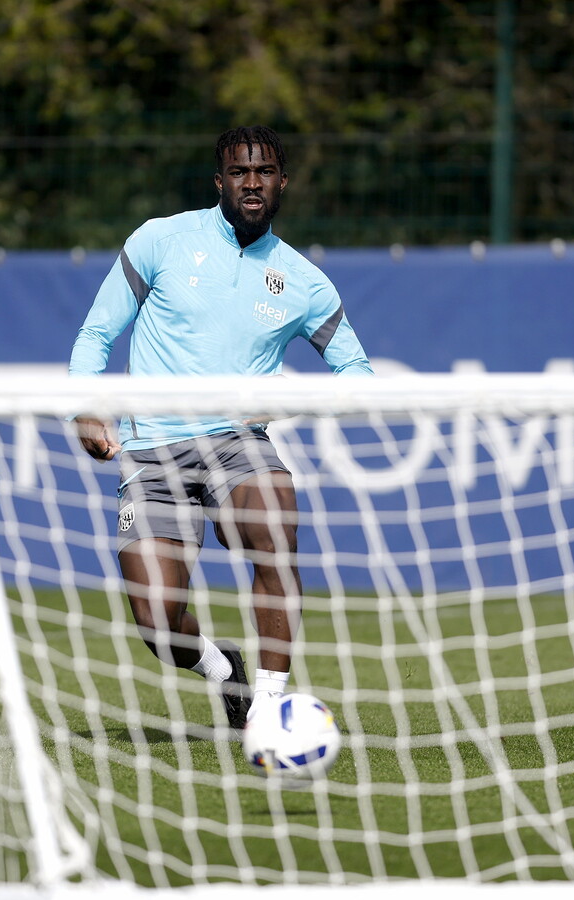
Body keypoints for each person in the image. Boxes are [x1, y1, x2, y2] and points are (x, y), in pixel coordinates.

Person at [69, 125, 374, 731]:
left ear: (282, 182)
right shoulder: (162, 241)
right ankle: (220, 668)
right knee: (158, 623)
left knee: (276, 524)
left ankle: (268, 707)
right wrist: (86, 405)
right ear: (220, 181)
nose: (252, 183)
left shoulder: (303, 281)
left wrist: (291, 401)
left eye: (264, 172)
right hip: (151, 451)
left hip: (238, 445)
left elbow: (357, 373)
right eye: (240, 172)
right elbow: (96, 333)